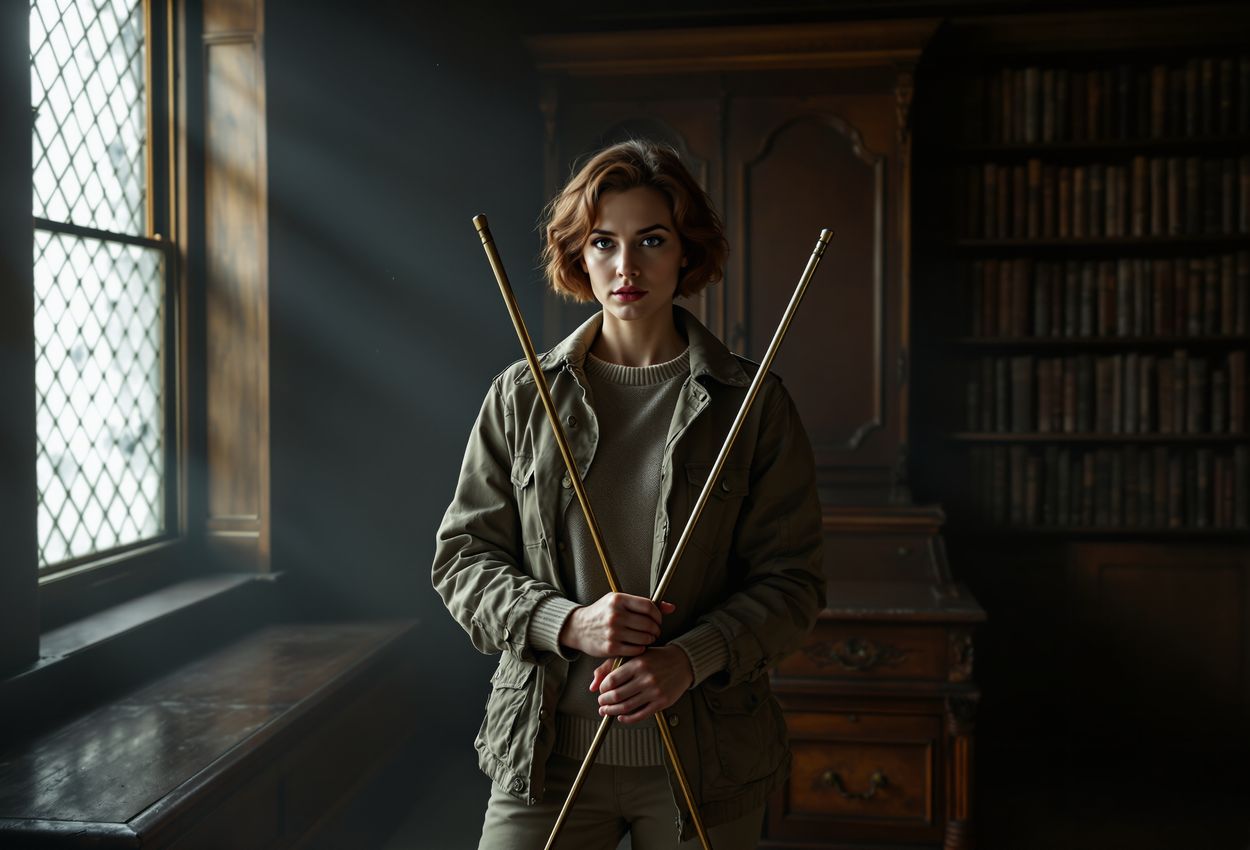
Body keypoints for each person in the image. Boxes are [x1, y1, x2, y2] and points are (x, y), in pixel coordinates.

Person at [432, 139, 824, 850]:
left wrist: (690, 658)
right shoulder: (522, 397)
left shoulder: (753, 403)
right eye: (603, 242)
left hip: (704, 766)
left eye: (651, 240)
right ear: (579, 256)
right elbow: (462, 562)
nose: (626, 266)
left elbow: (793, 584)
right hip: (544, 757)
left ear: (686, 252)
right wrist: (566, 623)